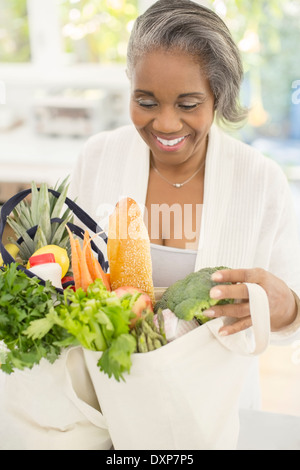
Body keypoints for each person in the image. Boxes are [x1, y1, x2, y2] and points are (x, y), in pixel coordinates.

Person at [69, 0, 300, 408]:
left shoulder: (261, 181)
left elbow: (290, 315)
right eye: (146, 101)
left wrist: (288, 308)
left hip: (216, 408)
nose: (165, 124)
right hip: (109, 404)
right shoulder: (97, 157)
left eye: (188, 104)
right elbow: (66, 280)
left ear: (218, 97)